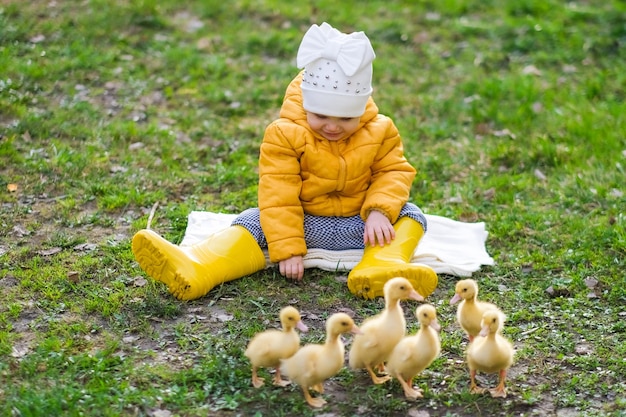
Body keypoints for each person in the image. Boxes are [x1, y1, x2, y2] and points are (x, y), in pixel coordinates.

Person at [131, 22, 438, 301]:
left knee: (411, 213)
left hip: (361, 226)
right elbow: (279, 193)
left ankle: (381, 265)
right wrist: (288, 248)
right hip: (305, 223)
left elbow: (393, 171)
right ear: (305, 105)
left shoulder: (381, 128)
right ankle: (199, 266)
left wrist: (378, 212)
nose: (332, 126)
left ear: (361, 109)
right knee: (254, 219)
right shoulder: (284, 134)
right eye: (320, 116)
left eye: (345, 118)